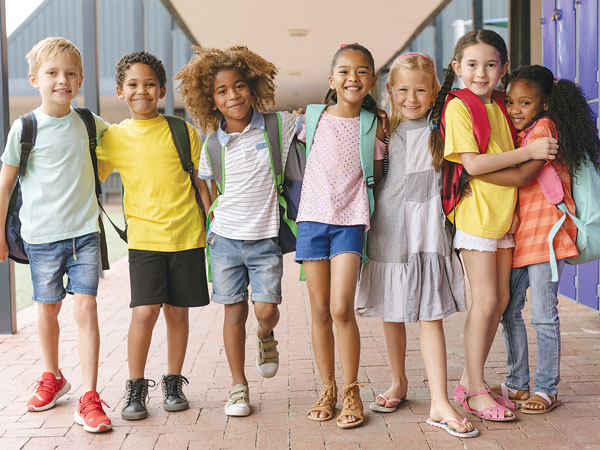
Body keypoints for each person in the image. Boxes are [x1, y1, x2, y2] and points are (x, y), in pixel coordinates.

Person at [428, 29, 558, 422]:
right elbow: (473, 165)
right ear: (456, 68)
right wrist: (530, 152)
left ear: (503, 68)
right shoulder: (459, 106)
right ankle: (478, 390)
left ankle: (469, 383)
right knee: (485, 302)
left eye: (489, 64)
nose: (480, 72)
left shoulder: (503, 104)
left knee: (499, 302)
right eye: (471, 64)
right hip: (478, 217)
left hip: (504, 218)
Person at [174, 46, 301, 417]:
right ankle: (238, 386)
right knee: (233, 313)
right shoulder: (212, 143)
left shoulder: (279, 126)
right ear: (211, 100)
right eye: (222, 91)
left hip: (265, 241)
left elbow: (320, 123)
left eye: (239, 86)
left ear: (253, 87)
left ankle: (266, 337)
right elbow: (207, 188)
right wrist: (211, 228)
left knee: (265, 311)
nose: (233, 96)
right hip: (226, 242)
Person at [355, 52, 477, 438]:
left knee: (429, 312)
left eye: (420, 90)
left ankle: (440, 401)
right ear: (389, 91)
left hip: (427, 229)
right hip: (389, 226)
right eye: (403, 90)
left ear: (435, 91)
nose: (411, 98)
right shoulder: (381, 131)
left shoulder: (444, 128)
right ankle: (399, 382)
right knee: (392, 309)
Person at [0, 37, 111, 432]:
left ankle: (90, 396)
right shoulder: (25, 127)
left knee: (87, 308)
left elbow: (121, 148)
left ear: (79, 80)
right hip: (41, 237)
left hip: (84, 234)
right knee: (48, 309)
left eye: (69, 74)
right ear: (34, 79)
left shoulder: (88, 122)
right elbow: (6, 182)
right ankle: (53, 377)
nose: (61, 80)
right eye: (52, 73)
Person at [475, 65, 599, 414]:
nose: (515, 109)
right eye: (511, 101)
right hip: (521, 238)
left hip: (547, 236)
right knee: (508, 309)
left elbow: (521, 175)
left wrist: (474, 170)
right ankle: (517, 382)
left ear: (544, 104)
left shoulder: (543, 130)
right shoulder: (523, 133)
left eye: (525, 103)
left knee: (544, 316)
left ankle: (546, 388)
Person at [95, 51, 211, 421]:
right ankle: (135, 385)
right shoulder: (113, 137)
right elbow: (87, 173)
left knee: (178, 313)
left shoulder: (182, 130)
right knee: (144, 312)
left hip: (188, 236)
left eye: (149, 84)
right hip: (144, 241)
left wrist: (213, 225)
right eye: (132, 85)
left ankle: (173, 382)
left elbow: (201, 183)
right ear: (119, 91)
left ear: (161, 90)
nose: (141, 91)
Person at [296, 43, 385, 429]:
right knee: (318, 310)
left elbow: (378, 174)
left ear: (372, 80)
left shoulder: (375, 123)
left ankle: (351, 389)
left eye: (362, 71)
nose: (353, 78)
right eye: (345, 71)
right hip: (312, 221)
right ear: (331, 80)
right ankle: (327, 388)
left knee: (340, 308)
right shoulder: (310, 118)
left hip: (351, 221)